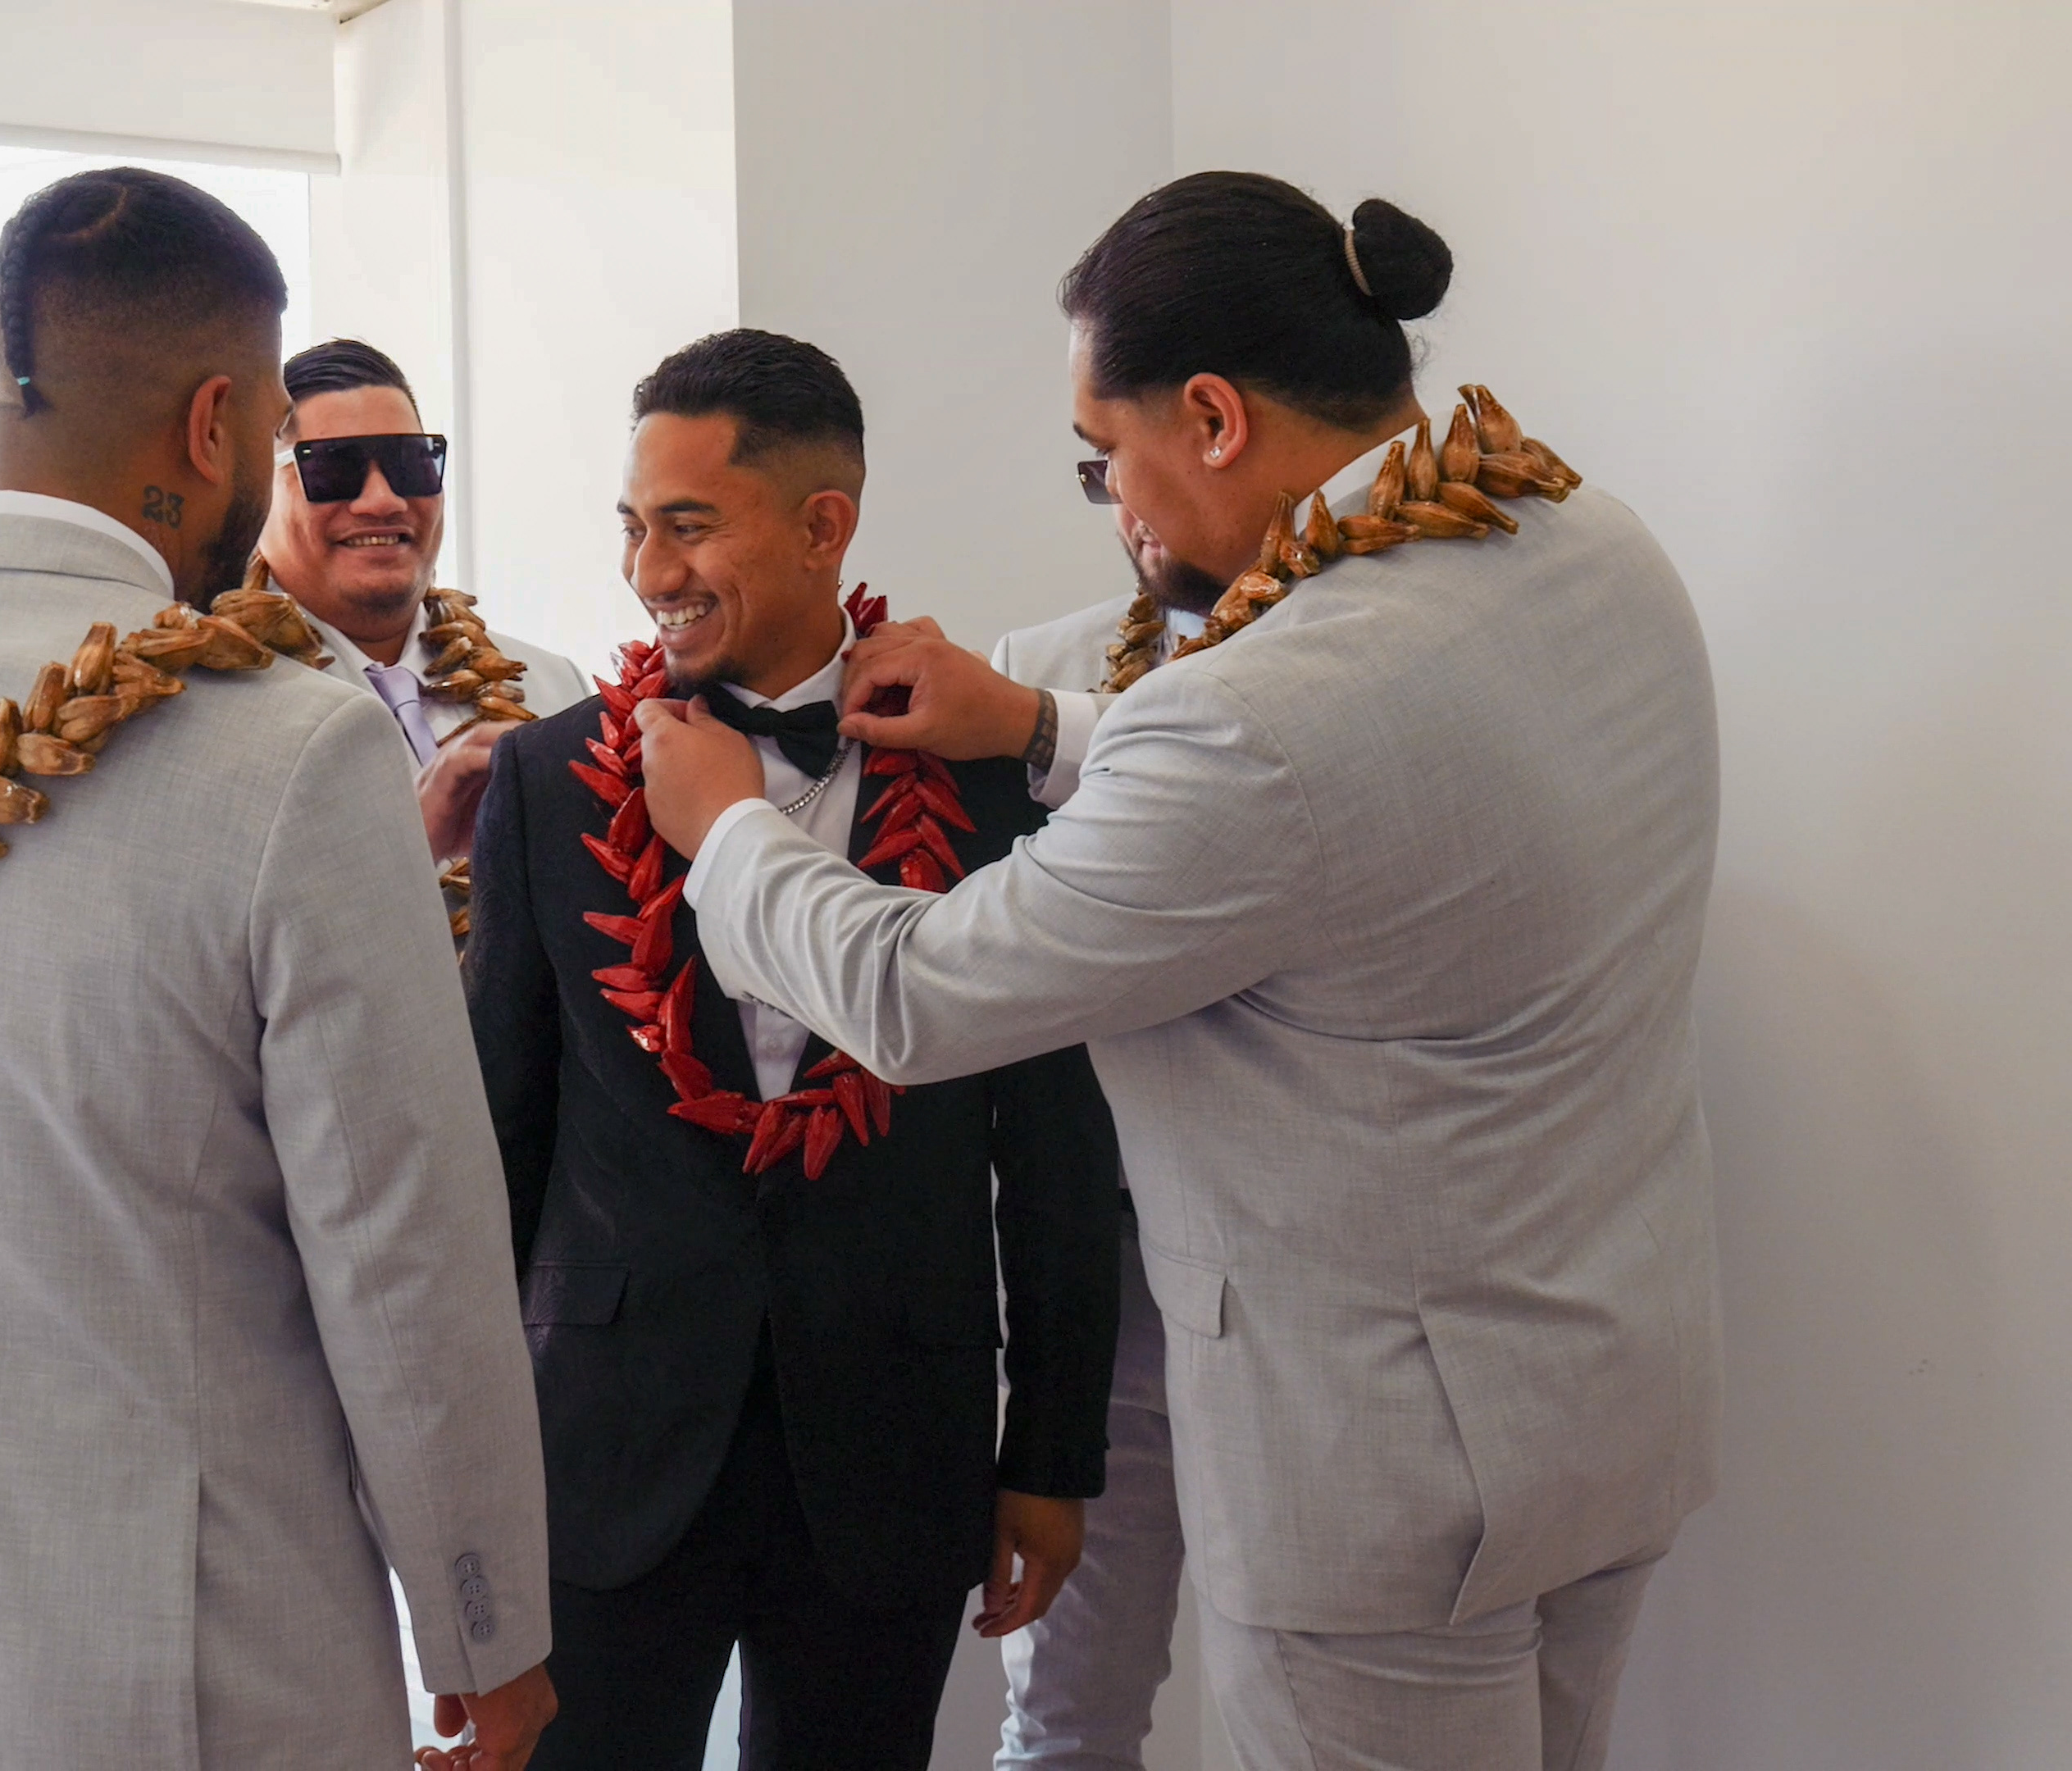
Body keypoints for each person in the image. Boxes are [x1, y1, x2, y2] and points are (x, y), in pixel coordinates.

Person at [635, 174, 1722, 1771]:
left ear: (1212, 417)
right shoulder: (1584, 538)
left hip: (1391, 1475)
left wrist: (729, 829)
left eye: (1105, 457)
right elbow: (1375, 812)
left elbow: (918, 994)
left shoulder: (1260, 713)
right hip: (1609, 1392)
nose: (1115, 510)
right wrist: (1043, 726)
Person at [0, 167, 555, 1769]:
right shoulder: (291, 750)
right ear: (216, 426)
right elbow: (404, 1250)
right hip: (209, 1661)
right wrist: (484, 1625)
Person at [464, 327, 1122, 1771]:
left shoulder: (988, 776)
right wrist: (462, 1486)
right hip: (607, 1456)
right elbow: (500, 1147)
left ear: (826, 526)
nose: (649, 570)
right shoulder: (544, 779)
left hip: (894, 1449)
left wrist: (1052, 1454)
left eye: (689, 524)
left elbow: (1058, 1149)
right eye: (633, 525)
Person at [989, 501, 1206, 1771]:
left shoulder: (1363, 661)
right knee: (1070, 1702)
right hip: (1104, 1281)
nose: (1129, 503)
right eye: (1098, 469)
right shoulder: (1035, 665)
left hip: (1308, 1279)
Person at [250, 336, 589, 863]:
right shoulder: (212, 713)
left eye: (410, 464)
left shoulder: (552, 692)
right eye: (334, 469)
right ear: (256, 491)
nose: (382, 500)